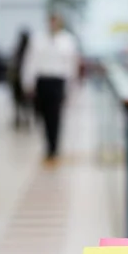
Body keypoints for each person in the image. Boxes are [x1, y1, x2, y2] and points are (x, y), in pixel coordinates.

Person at [22, 13, 80, 163]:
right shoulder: (38, 39)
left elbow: (71, 64)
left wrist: (71, 85)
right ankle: (48, 144)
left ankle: (53, 148)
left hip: (58, 81)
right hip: (42, 81)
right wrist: (28, 82)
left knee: (55, 115)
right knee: (44, 115)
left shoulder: (67, 40)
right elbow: (31, 61)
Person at [9, 29, 31, 129]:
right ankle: (23, 118)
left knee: (20, 100)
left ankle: (20, 117)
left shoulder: (21, 51)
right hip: (20, 80)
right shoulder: (25, 52)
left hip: (20, 80)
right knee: (24, 101)